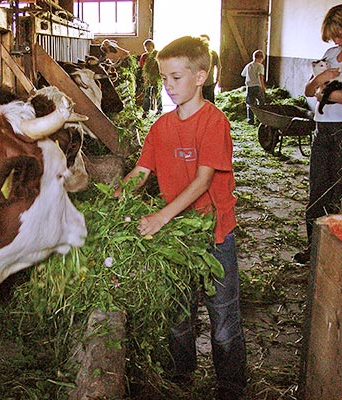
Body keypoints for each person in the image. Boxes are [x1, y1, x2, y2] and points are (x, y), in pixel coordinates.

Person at [115, 36, 246, 400]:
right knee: (177, 312)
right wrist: (114, 199)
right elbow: (141, 172)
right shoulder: (160, 127)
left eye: (176, 77)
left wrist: (159, 217)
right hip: (176, 237)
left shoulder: (214, 122)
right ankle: (181, 375)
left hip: (215, 232)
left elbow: (203, 180)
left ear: (200, 76)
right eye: (164, 79)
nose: (168, 86)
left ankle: (231, 385)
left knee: (222, 316)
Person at [298, 4, 342, 264]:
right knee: (318, 193)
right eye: (333, 35)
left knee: (337, 195)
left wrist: (325, 93)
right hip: (322, 130)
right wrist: (321, 79)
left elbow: (324, 94)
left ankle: (333, 256)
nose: (336, 40)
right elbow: (308, 90)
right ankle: (314, 249)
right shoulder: (330, 53)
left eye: (339, 33)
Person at [138, 39, 163, 117]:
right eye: (146, 46)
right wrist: (145, 76)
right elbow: (142, 67)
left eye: (149, 46)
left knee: (157, 94)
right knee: (147, 94)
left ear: (153, 46)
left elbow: (161, 64)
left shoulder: (157, 54)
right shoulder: (144, 56)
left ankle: (159, 109)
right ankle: (146, 111)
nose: (147, 48)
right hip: (148, 78)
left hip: (157, 78)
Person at [241, 50, 266, 124]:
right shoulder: (260, 66)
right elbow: (260, 76)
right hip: (257, 86)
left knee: (250, 103)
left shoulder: (248, 65)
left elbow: (243, 74)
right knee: (261, 102)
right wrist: (263, 87)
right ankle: (260, 119)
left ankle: (250, 120)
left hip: (249, 86)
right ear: (261, 58)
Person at [200, 34, 221, 103]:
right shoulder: (197, 54)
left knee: (208, 101)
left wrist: (217, 79)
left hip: (208, 82)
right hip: (201, 82)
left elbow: (219, 67)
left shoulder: (213, 54)